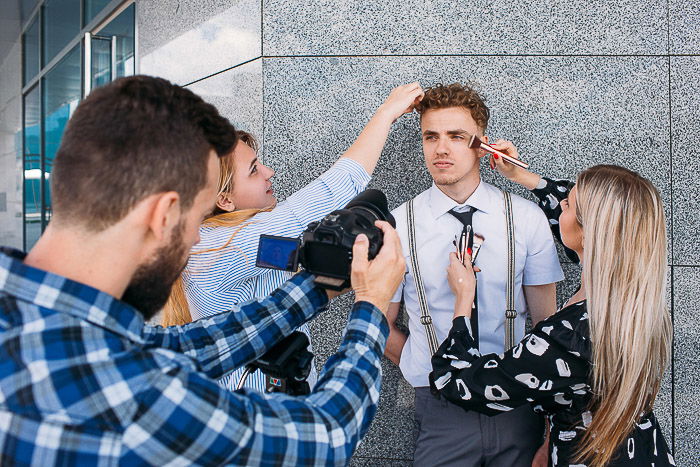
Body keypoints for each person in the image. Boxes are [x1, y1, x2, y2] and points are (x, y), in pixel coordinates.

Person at [0, 75, 407, 465]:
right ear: (162, 215)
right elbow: (326, 437)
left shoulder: (56, 327)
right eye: (197, 218)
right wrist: (370, 305)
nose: (197, 241)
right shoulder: (132, 398)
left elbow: (176, 347)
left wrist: (315, 292)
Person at [162, 83, 424, 394]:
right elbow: (319, 199)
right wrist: (385, 115)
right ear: (225, 200)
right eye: (253, 170)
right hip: (258, 417)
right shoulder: (220, 248)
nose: (269, 171)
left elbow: (294, 248)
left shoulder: (247, 242)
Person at [430, 147, 674, 466]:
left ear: (590, 235)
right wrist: (521, 176)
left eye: (569, 205)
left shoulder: (570, 337)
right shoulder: (630, 298)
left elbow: (460, 382)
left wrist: (464, 299)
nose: (560, 204)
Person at [384, 83, 564, 466]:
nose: (441, 149)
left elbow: (546, 323)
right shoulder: (397, 225)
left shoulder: (526, 218)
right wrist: (421, 367)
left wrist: (548, 420)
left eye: (456, 136)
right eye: (430, 136)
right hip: (438, 405)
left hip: (517, 401)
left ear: (481, 144)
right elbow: (379, 322)